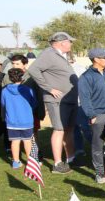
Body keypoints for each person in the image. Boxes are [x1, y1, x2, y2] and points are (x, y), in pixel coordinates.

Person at [28, 31, 79, 173]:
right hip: (57, 101)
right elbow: (33, 70)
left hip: (70, 99)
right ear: (61, 42)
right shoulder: (48, 54)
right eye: (70, 41)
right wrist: (49, 88)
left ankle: (71, 158)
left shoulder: (61, 55)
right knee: (59, 129)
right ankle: (57, 164)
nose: (71, 44)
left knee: (69, 129)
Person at [77, 48, 105, 182]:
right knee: (97, 145)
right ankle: (100, 173)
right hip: (97, 115)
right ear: (96, 59)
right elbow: (85, 98)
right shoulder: (86, 77)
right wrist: (91, 115)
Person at [1, 67, 37, 168]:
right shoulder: (28, 90)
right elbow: (34, 103)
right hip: (26, 120)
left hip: (12, 121)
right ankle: (31, 161)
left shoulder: (4, 91)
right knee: (27, 141)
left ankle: (16, 162)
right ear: (22, 78)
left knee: (15, 141)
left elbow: (3, 105)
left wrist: (3, 116)